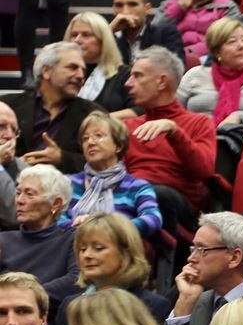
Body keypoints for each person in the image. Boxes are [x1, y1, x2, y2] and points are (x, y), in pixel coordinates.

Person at [49, 212, 173, 325]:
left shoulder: (151, 306)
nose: (87, 255)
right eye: (82, 249)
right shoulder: (69, 305)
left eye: (98, 248)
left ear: (125, 252)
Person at [122, 46, 217, 219]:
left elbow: (204, 171)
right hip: (130, 202)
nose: (127, 83)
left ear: (162, 81)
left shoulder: (199, 122)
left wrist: (174, 132)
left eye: (137, 76)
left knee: (153, 194)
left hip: (175, 211)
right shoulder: (127, 126)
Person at [63, 111, 162, 239]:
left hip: (119, 251)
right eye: (85, 138)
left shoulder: (137, 186)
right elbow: (54, 218)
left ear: (118, 146)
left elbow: (153, 219)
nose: (90, 142)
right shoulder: (69, 183)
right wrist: (75, 225)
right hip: (73, 247)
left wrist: (110, 228)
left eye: (98, 136)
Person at [3, 42, 96, 173]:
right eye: (72, 68)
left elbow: (107, 161)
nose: (81, 76)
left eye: (83, 71)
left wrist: (61, 158)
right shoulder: (7, 106)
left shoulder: (92, 113)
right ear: (46, 71)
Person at [0, 166, 80, 312]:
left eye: (29, 194)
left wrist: (27, 298)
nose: (19, 200)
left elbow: (76, 280)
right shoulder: (3, 240)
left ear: (55, 203)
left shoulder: (71, 239)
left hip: (52, 322)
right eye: (18, 193)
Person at [176, 18, 243, 131]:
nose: (241, 46)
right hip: (195, 135)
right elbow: (175, 113)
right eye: (232, 41)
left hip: (242, 137)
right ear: (216, 51)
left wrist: (239, 117)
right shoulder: (194, 74)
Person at [65, 12, 133, 114]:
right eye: (74, 35)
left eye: (86, 35)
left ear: (103, 40)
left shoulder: (125, 75)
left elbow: (138, 111)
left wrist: (97, 122)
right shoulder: (61, 74)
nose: (77, 40)